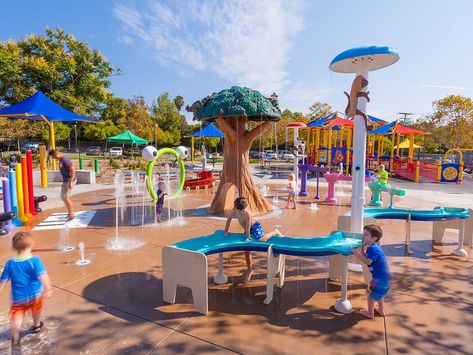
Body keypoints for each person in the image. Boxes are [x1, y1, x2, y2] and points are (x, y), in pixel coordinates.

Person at [0, 232, 52, 347]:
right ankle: (36, 325)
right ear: (31, 246)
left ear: (14, 247)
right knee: (36, 310)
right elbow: (43, 276)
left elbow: (2, 281)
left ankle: (15, 335)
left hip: (18, 298)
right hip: (35, 295)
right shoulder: (35, 261)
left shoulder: (10, 263)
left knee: (17, 316)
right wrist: (48, 289)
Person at [224, 197, 283, 281]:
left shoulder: (248, 214)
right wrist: (226, 231)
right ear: (237, 208)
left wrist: (247, 238)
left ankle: (275, 232)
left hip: (255, 226)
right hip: (247, 229)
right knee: (246, 251)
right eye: (241, 210)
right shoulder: (235, 208)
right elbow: (229, 219)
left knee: (261, 240)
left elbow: (247, 227)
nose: (242, 212)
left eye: (243, 209)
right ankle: (250, 270)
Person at [350, 224, 390, 319]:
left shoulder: (373, 249)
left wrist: (354, 253)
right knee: (379, 293)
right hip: (383, 276)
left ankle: (370, 313)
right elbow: (365, 256)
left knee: (370, 294)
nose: (363, 236)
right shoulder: (373, 246)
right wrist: (362, 246)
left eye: (366, 234)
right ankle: (381, 310)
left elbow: (367, 261)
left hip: (379, 278)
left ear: (374, 238)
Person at [49, 149, 76, 221]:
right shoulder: (61, 160)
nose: (54, 159)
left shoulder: (65, 160)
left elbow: (73, 170)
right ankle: (70, 212)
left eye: (53, 157)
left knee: (65, 197)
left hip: (69, 180)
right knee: (63, 196)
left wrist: (70, 182)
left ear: (56, 154)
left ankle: (71, 214)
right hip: (66, 181)